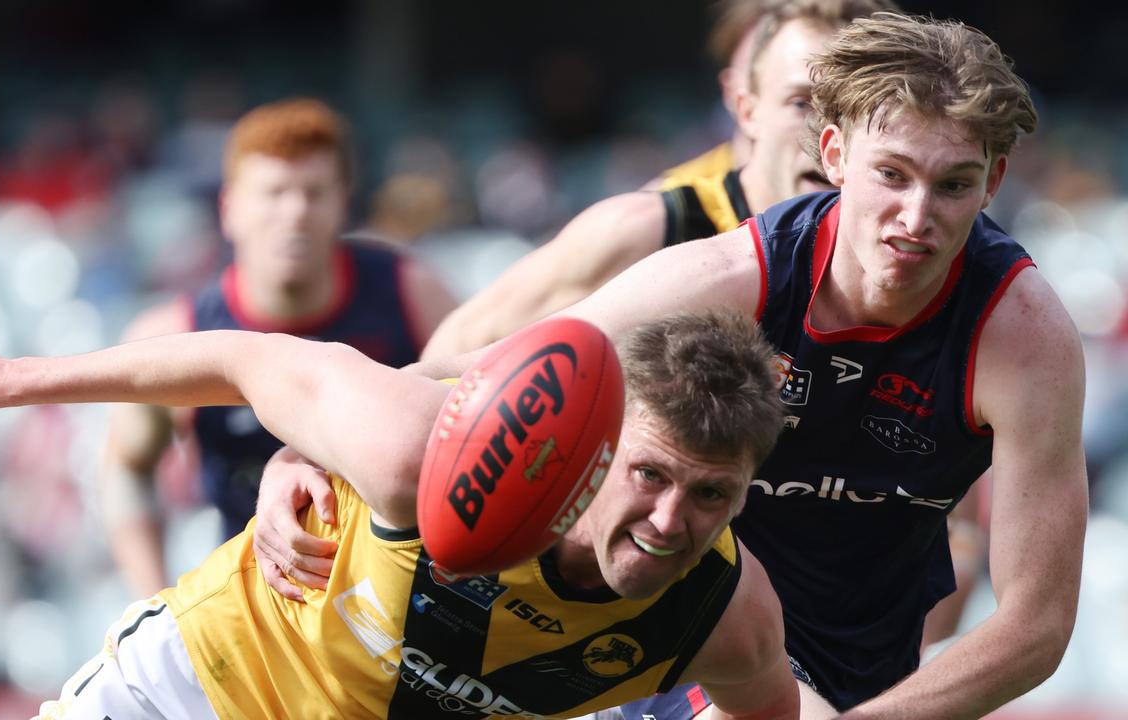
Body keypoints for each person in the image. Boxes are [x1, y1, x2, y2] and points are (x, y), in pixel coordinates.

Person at [266, 12, 1089, 718]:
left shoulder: (1022, 337)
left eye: (954, 185)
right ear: (833, 154)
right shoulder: (719, 271)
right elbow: (485, 373)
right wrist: (303, 448)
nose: (917, 217)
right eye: (892, 176)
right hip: (670, 613)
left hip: (859, 662)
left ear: (995, 184)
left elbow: (1039, 623)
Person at [0, 312, 800, 719]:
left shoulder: (725, 617)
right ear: (594, 448)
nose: (671, 520)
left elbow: (763, 712)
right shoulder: (423, 453)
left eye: (711, 495)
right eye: (648, 475)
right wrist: (2, 384)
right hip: (194, 693)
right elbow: (247, 361)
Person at [101, 98, 457, 596]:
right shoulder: (176, 336)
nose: (294, 212)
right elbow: (129, 468)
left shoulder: (411, 295)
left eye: (313, 192)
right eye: (273, 193)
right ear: (230, 210)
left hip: (403, 603)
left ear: (343, 203)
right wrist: (153, 597)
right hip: (258, 618)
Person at [417, 0, 895, 361]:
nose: (826, 133)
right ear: (742, 105)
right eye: (799, 102)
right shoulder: (654, 228)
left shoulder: (916, 254)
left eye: (855, 107)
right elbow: (457, 350)